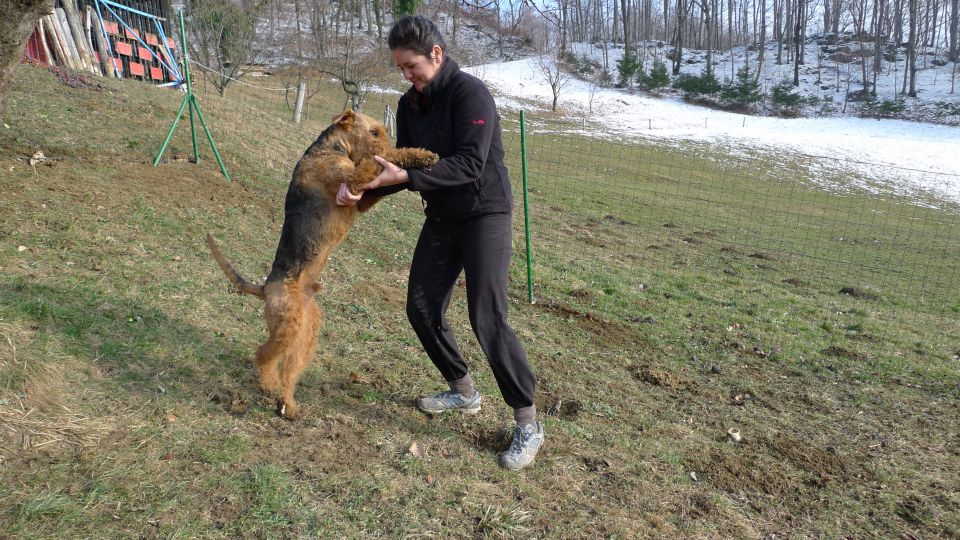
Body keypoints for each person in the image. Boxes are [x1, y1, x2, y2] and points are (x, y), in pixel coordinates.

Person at [335, 15, 543, 470]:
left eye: (411, 66)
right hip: (443, 215)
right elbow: (402, 167)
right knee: (421, 307)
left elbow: (470, 163)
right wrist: (360, 187)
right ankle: (463, 391)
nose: (406, 76)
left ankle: (527, 420)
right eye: (400, 69)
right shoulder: (409, 107)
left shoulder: (471, 94)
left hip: (484, 212)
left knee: (486, 316)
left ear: (436, 54)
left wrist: (406, 176)